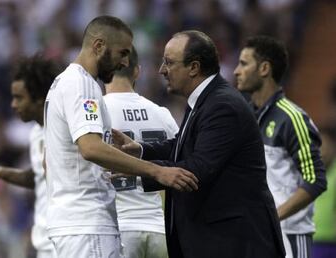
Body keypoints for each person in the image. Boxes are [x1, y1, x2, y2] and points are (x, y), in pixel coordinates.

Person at [113, 30, 285, 258]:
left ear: (194, 68)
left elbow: (197, 169)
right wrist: (140, 150)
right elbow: (184, 145)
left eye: (169, 62)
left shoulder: (223, 106)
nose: (162, 70)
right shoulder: (205, 100)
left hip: (237, 243)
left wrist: (139, 172)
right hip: (219, 240)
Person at [43, 16, 198, 258]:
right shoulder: (81, 84)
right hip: (87, 222)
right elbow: (91, 148)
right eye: (122, 53)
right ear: (98, 46)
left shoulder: (66, 82)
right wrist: (157, 171)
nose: (125, 61)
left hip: (76, 222)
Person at [234, 35, 327, 258]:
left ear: (264, 68)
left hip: (289, 235)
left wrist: (273, 217)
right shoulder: (245, 118)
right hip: (254, 235)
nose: (236, 70)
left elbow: (316, 181)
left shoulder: (292, 118)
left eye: (244, 63)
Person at [0, 54, 59, 258]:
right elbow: (39, 178)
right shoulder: (35, 133)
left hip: (67, 239)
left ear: (40, 99)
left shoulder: (66, 132)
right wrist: (1, 173)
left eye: (19, 98)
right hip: (43, 241)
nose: (13, 105)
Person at [104, 46, 177, 258]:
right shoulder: (162, 113)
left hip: (118, 228)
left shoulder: (96, 113)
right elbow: (185, 158)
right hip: (159, 228)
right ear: (137, 71)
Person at [312, 125, 336, 258]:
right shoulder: (305, 171)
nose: (324, 151)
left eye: (327, 146)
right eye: (320, 147)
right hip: (314, 239)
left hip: (333, 239)